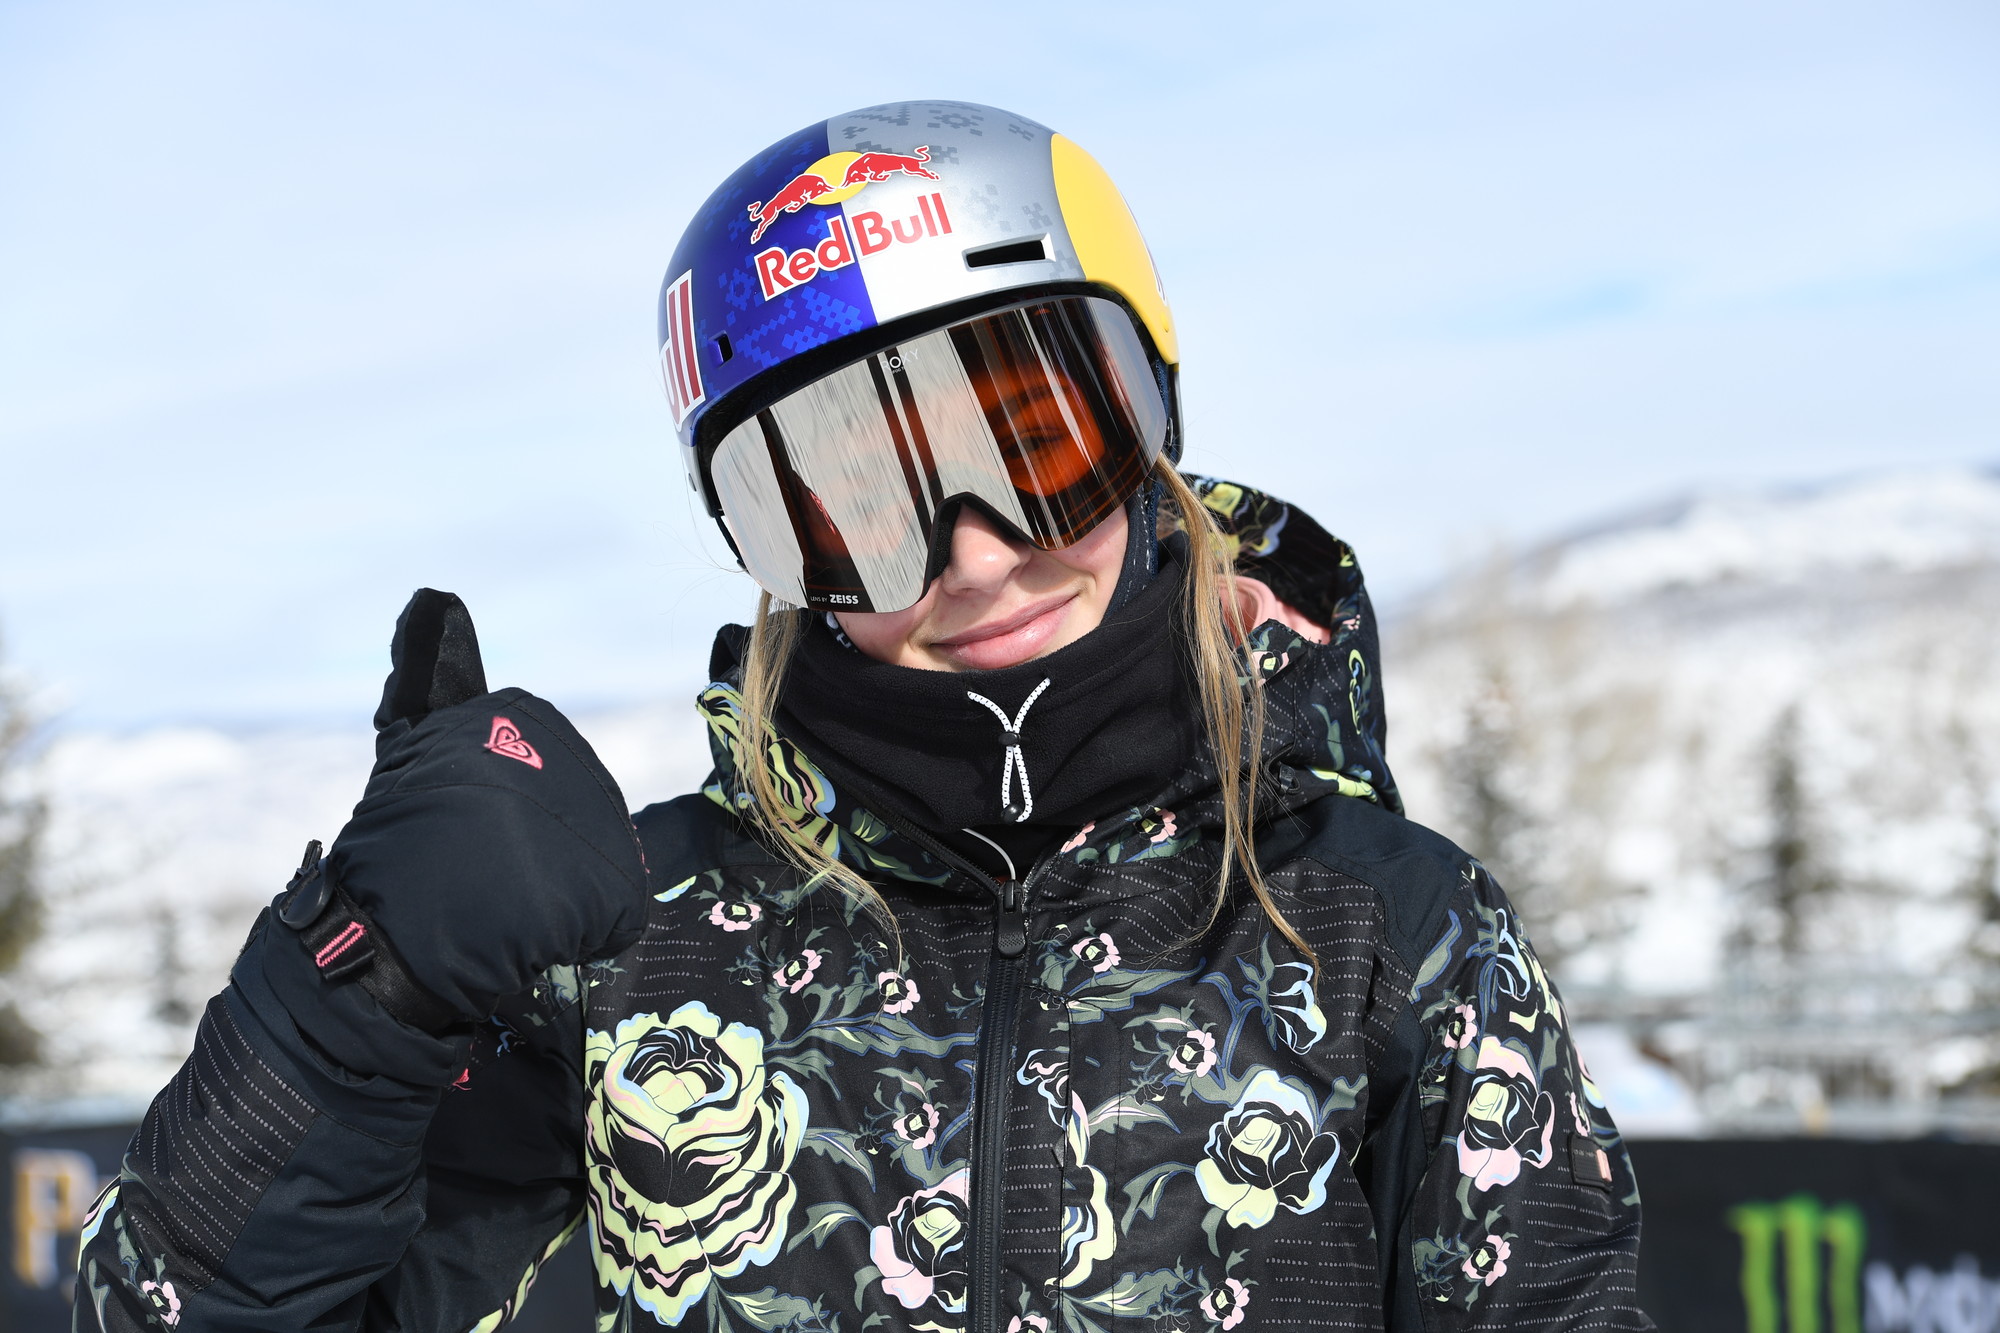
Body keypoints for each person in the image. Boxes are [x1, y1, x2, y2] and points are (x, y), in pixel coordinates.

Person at [75, 100, 1650, 1332]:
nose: (972, 551)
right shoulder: (649, 941)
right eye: (856, 502)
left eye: (1030, 439)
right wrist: (360, 993)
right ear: (771, 555)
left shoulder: (1383, 927)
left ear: (1148, 399)